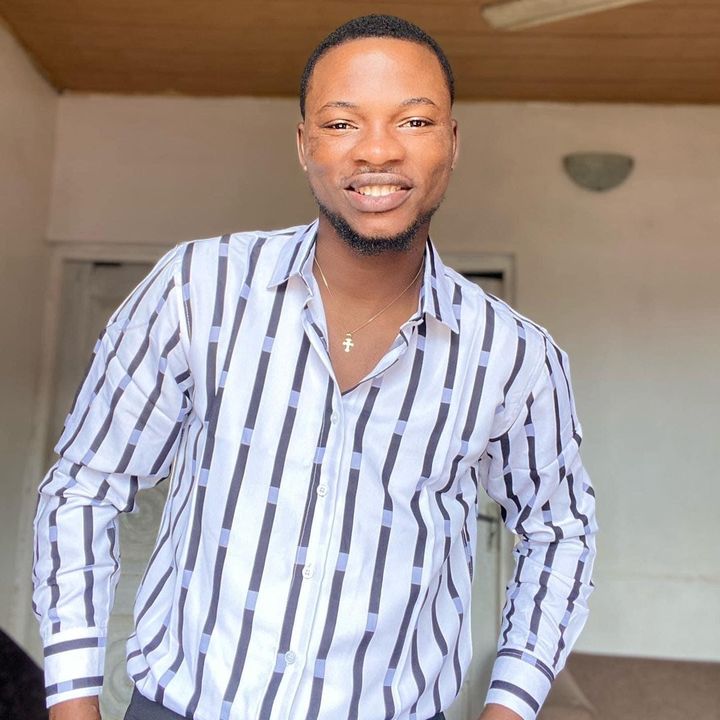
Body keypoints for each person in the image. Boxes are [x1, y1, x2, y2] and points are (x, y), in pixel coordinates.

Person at [33, 14, 597, 720]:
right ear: (304, 145)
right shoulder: (197, 289)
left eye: (414, 121)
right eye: (341, 123)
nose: (378, 150)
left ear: (452, 143)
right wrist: (72, 702)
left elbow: (559, 531)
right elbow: (85, 488)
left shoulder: (514, 356)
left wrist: (510, 707)